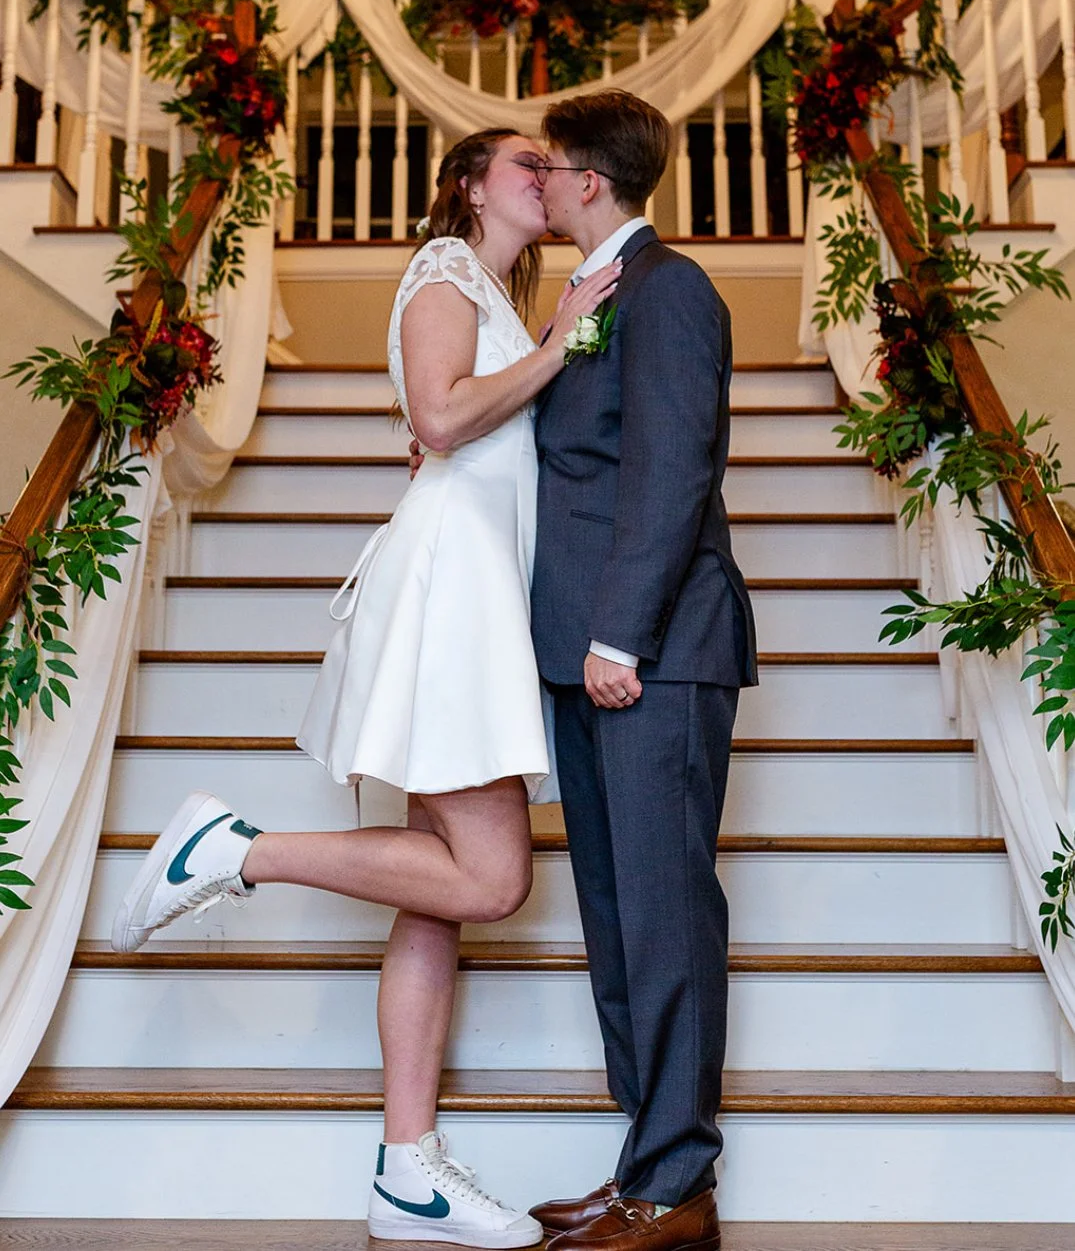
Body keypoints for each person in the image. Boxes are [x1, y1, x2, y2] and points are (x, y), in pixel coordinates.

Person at [109, 127, 620, 1250]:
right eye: (523, 164)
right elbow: (437, 418)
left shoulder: (483, 292)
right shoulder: (442, 269)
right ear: (469, 187)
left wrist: (534, 353)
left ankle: (406, 1167)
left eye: (551, 163)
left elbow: (451, 432)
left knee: (438, 891)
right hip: (448, 593)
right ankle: (236, 850)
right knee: (490, 880)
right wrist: (561, 343)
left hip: (473, 592)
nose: (543, 178)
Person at [526, 90, 757, 1251]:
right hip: (587, 656)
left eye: (551, 164)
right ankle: (642, 1168)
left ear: (586, 180)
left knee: (662, 917)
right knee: (617, 919)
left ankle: (677, 1186)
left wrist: (618, 638)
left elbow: (671, 469)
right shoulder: (592, 296)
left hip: (649, 656)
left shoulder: (671, 290)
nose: (543, 181)